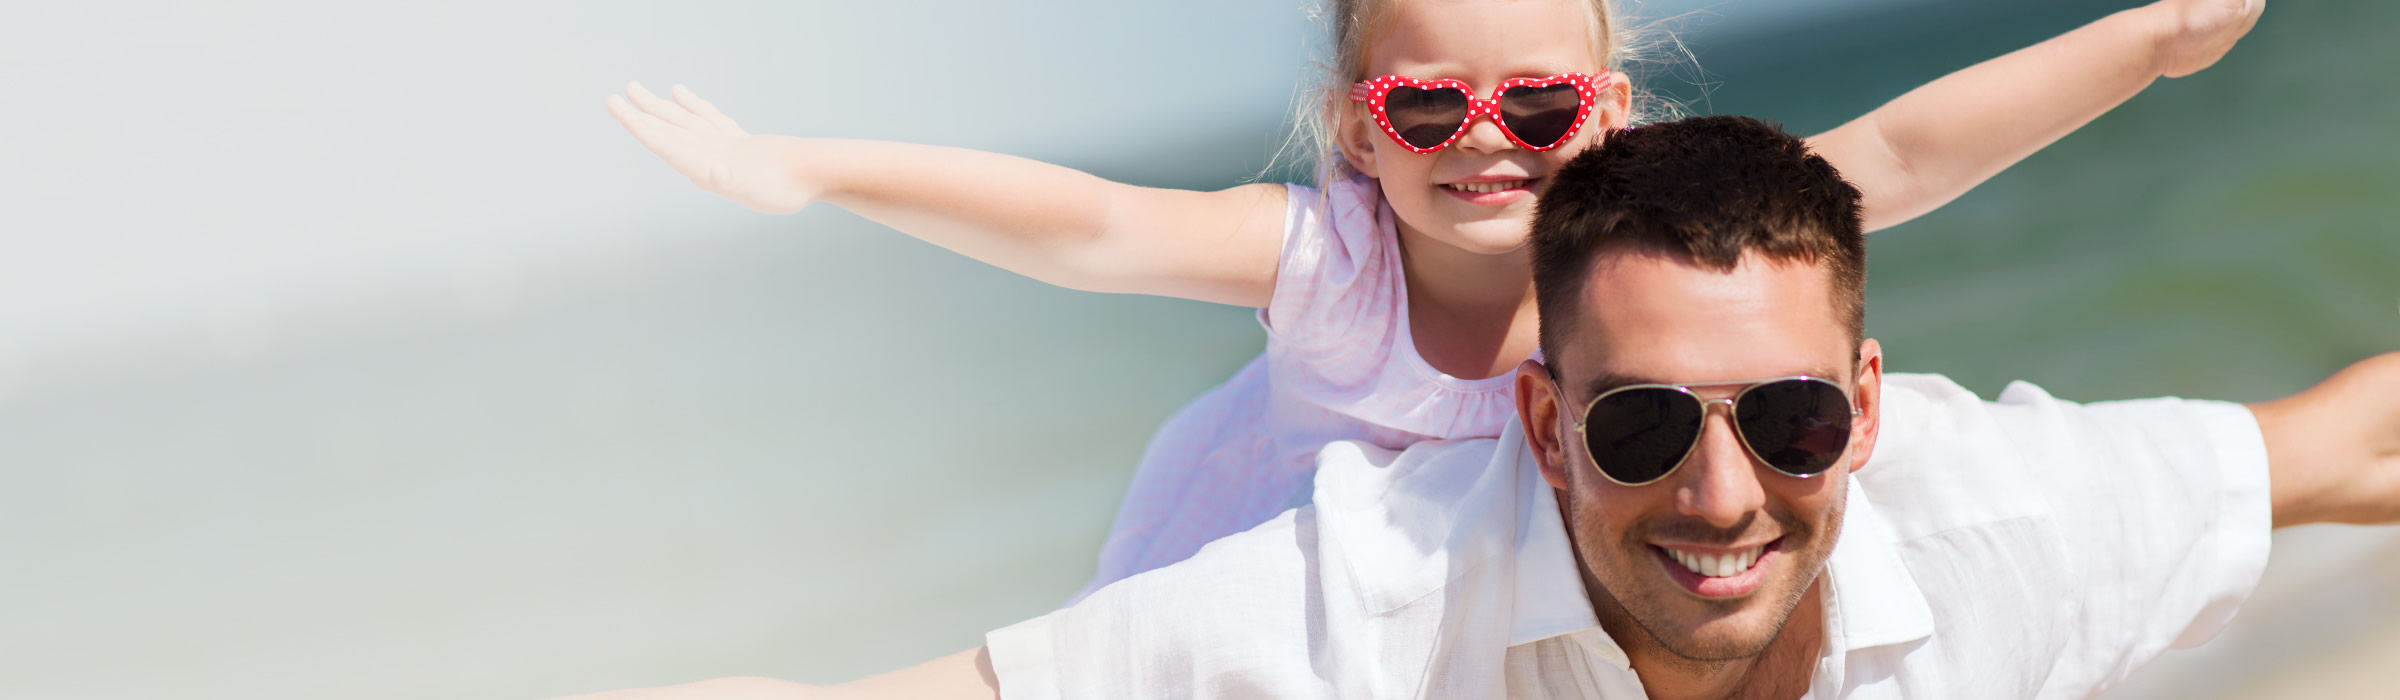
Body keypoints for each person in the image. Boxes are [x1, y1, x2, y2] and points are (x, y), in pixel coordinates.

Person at [564, 115, 2400, 699]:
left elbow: (2345, 443)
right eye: (1636, 428)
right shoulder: (1371, 601)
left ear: (1868, 403)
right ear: (1537, 424)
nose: (1720, 491)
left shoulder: (2006, 518)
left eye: (1789, 422)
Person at [606, 0, 2268, 598]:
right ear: (1358, 130)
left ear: (1605, 117)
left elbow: (1889, 152)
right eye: (1428, 111)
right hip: (1328, 591)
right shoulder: (1329, 261)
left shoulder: (1630, 236)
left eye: (1537, 107)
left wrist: (2149, 39)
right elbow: (1091, 228)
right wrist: (815, 165)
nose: (1489, 144)